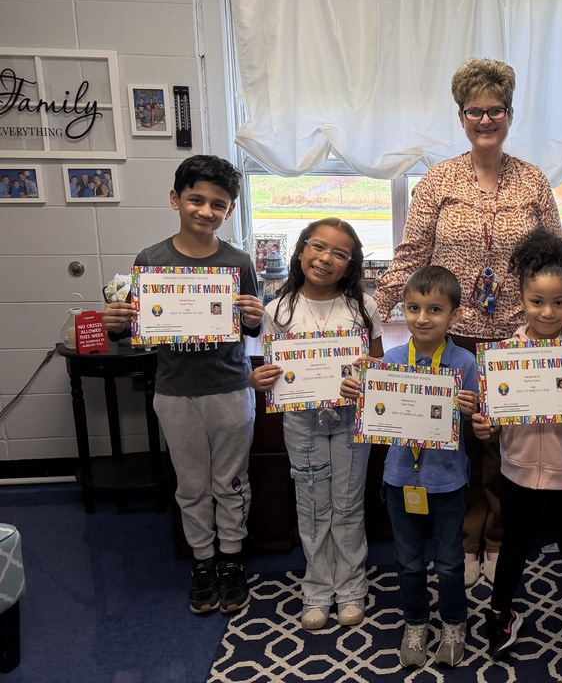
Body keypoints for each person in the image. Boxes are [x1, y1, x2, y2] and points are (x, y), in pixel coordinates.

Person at [374, 57, 562, 587]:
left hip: (517, 336)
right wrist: (372, 314)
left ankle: (498, 541)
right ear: (461, 116)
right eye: (474, 111)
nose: (485, 120)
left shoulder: (532, 180)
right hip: (453, 335)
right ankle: (463, 542)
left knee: (503, 447)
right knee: (455, 438)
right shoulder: (438, 179)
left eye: (496, 110)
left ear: (510, 114)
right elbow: (412, 250)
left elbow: (553, 256)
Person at [101, 155, 264, 615]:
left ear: (229, 210)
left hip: (230, 389)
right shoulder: (150, 260)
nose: (206, 211)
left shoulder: (238, 261)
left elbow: (249, 326)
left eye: (218, 203)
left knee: (231, 482)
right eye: (196, 199)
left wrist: (254, 318)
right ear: (176, 199)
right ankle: (203, 561)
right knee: (191, 485)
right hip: (175, 392)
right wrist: (115, 323)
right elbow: (134, 330)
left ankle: (231, 561)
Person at [473, 228, 562, 671]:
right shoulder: (504, 356)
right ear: (521, 297)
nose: (548, 311)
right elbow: (489, 413)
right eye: (537, 301)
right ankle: (499, 614)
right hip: (517, 475)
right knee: (513, 547)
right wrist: (483, 425)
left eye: (558, 302)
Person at [249, 218, 384, 631]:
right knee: (310, 504)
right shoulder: (278, 309)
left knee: (347, 502)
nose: (326, 258)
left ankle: (351, 585)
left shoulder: (364, 306)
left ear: (350, 264)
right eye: (318, 246)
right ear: (302, 250)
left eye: (340, 253)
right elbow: (271, 370)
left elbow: (378, 365)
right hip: (302, 421)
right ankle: (317, 588)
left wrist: (368, 372)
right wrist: (258, 381)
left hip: (350, 419)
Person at [342, 266, 479, 668]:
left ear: (453, 315)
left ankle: (455, 623)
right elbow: (376, 414)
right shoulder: (390, 361)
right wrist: (356, 390)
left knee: (451, 562)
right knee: (409, 562)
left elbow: (478, 421)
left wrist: (471, 410)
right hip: (400, 479)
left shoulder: (465, 362)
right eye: (414, 307)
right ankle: (416, 622)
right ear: (402, 309)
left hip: (448, 481)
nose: (422, 318)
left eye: (435, 309)